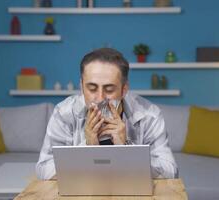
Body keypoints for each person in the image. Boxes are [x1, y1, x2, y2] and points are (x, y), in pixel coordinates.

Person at [36, 48, 178, 180]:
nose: (100, 98)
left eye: (109, 90)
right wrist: (86, 148)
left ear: (124, 90)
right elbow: (43, 169)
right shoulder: (64, 113)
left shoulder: (149, 115)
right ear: (81, 86)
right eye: (92, 88)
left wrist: (127, 148)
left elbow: (170, 171)